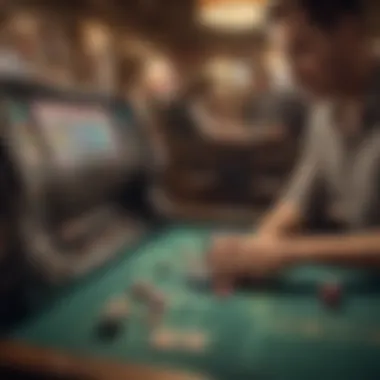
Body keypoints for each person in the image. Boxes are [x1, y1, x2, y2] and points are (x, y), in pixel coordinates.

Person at [209, 0, 380, 281]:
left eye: (302, 50)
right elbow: (298, 198)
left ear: (350, 33)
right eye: (286, 56)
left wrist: (289, 252)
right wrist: (258, 244)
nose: (293, 73)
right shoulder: (323, 111)